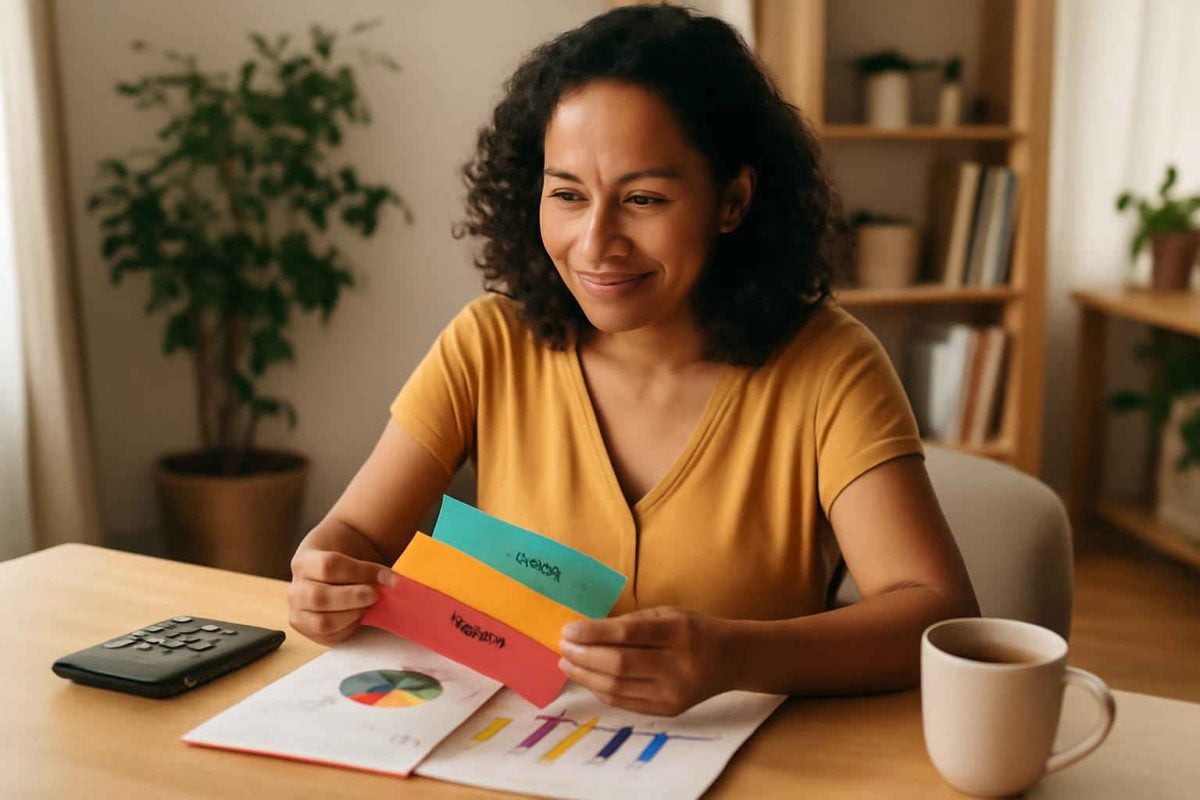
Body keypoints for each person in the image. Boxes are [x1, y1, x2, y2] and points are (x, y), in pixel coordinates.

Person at [289, 5, 979, 717]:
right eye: (566, 195)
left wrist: (736, 656)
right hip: (513, 757)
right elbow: (354, 536)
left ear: (733, 200)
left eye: (643, 198)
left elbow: (936, 616)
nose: (595, 243)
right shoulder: (488, 343)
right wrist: (323, 571)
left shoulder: (829, 367)